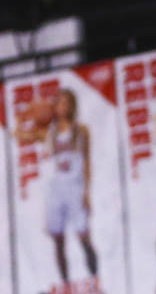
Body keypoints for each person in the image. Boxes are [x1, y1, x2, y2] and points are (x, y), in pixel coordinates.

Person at [19, 88, 99, 283]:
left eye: (68, 103)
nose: (64, 106)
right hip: (55, 191)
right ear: (54, 107)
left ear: (73, 106)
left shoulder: (81, 130)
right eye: (61, 103)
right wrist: (27, 112)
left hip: (75, 188)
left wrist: (87, 192)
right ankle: (66, 284)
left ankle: (95, 279)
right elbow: (19, 134)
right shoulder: (47, 131)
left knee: (84, 238)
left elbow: (87, 162)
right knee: (58, 241)